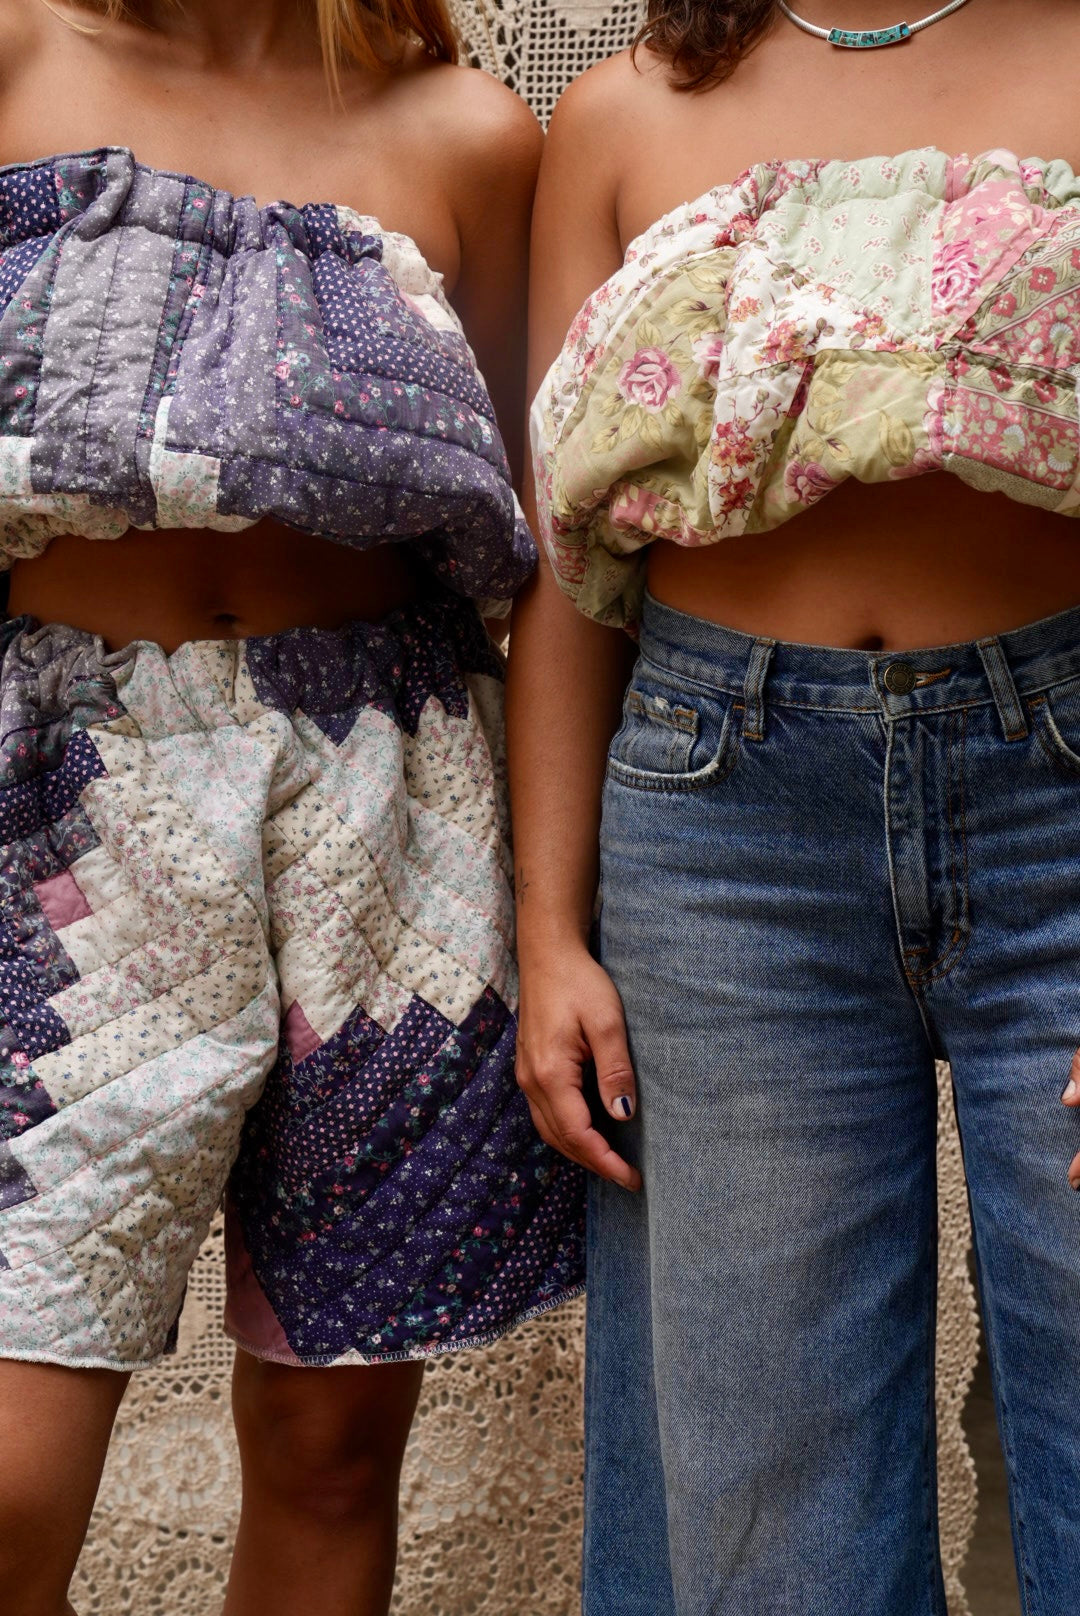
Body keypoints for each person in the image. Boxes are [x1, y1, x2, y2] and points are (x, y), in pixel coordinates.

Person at [0, 3, 585, 1612]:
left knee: (331, 1445)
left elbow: (554, 548)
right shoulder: (21, 58)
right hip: (62, 807)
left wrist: (551, 915)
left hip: (390, 807)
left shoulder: (467, 131)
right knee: (10, 1474)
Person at [511, 1, 1080, 1610]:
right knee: (774, 1528)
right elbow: (567, 569)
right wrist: (550, 933)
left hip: (1067, 802)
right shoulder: (622, 117)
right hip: (721, 839)